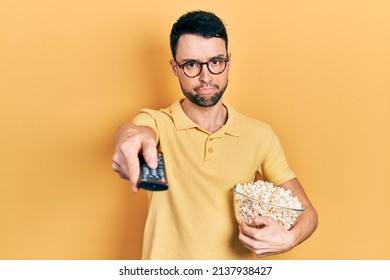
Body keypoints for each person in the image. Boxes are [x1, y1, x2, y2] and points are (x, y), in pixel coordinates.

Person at [112, 10, 318, 259]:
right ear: (174, 68)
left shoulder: (260, 135)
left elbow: (307, 211)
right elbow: (135, 131)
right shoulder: (158, 123)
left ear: (228, 63)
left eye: (216, 62)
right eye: (191, 65)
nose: (206, 77)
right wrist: (130, 140)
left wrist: (290, 239)